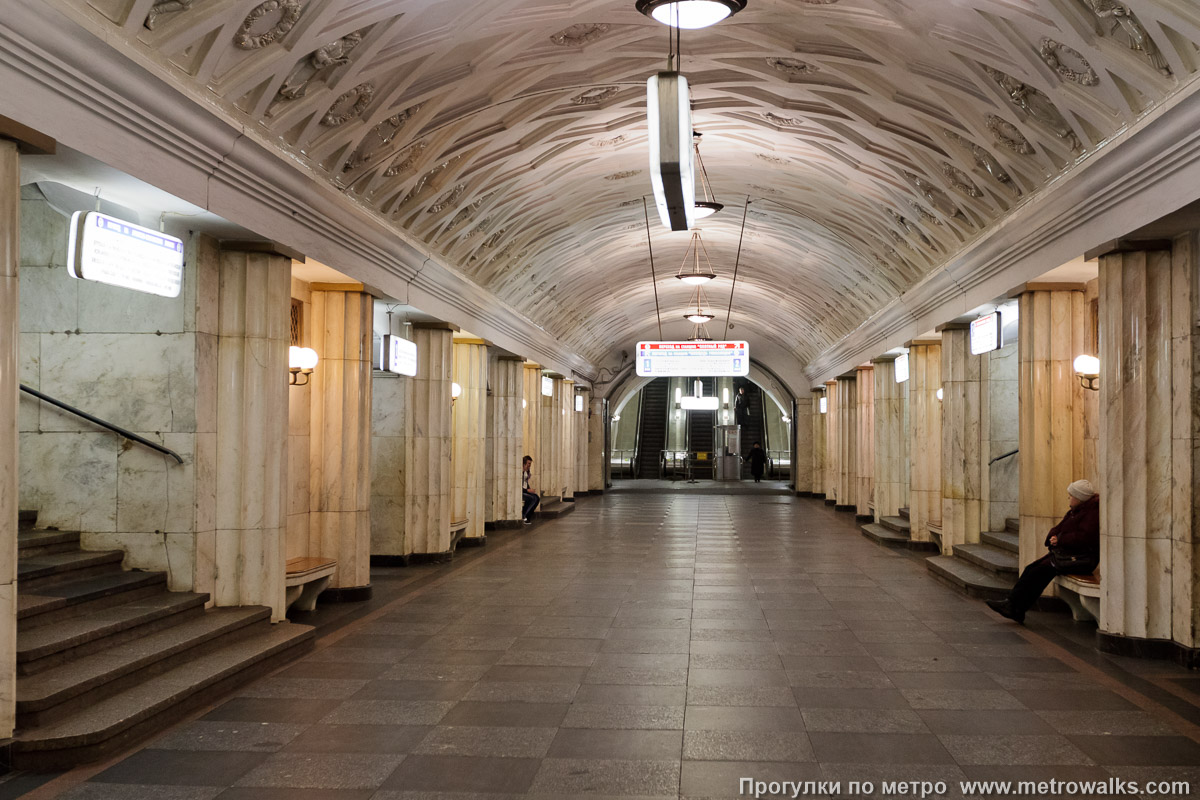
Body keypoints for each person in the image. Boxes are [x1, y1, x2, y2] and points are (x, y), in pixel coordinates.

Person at [986, 479, 1100, 624]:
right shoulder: (1075, 511)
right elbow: (1059, 528)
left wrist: (1060, 540)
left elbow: (1085, 537)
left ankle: (1015, 607)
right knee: (1031, 569)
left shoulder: (1091, 514)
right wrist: (1052, 537)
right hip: (1068, 556)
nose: (1068, 498)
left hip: (1082, 559)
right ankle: (1013, 606)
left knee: (1039, 572)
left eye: (1071, 495)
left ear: (1079, 498)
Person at [521, 455, 539, 524]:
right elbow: (519, 486)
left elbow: (525, 483)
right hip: (521, 491)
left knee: (537, 497)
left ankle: (528, 516)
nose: (529, 465)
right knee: (531, 498)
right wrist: (527, 490)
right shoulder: (520, 472)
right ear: (524, 463)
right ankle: (523, 515)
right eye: (528, 463)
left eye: (530, 463)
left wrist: (530, 489)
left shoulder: (526, 472)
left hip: (524, 490)